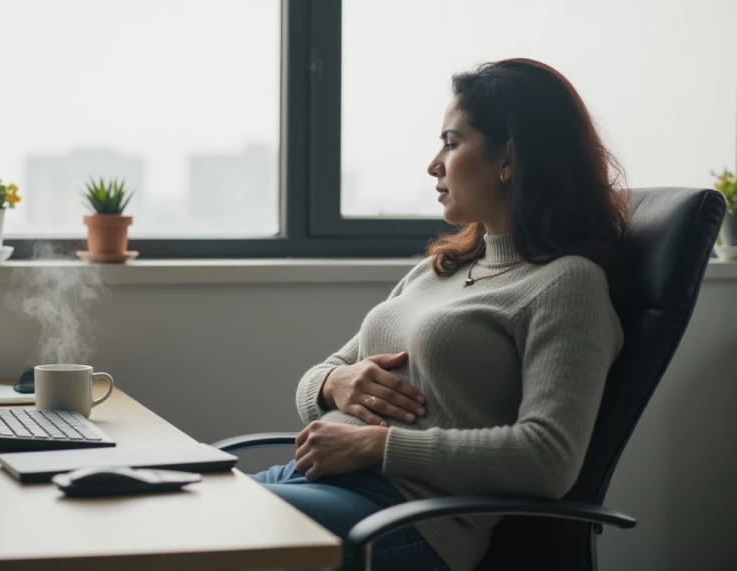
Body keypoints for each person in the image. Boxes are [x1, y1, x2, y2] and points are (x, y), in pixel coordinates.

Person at [250, 58, 630, 571]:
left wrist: (377, 444)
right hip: (309, 478)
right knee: (163, 503)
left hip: (402, 515)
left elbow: (547, 458)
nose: (434, 164)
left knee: (200, 532)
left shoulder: (567, 283)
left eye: (452, 143)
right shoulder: (441, 269)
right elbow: (320, 375)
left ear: (508, 159)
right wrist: (333, 384)